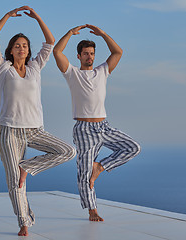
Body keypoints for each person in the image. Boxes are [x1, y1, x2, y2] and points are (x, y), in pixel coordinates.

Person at [0, 6, 76, 236]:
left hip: (34, 129)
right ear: (11, 50)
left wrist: (37, 18)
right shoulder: (3, 68)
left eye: (25, 46)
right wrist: (7, 16)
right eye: (17, 46)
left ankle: (28, 167)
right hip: (9, 130)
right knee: (15, 182)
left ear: (28, 50)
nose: (21, 49)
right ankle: (24, 222)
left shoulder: (36, 67)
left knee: (67, 151)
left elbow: (50, 41)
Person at [53, 24, 141, 222]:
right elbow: (57, 52)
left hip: (104, 126)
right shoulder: (72, 73)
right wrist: (69, 33)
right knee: (84, 172)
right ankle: (92, 210)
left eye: (92, 53)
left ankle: (99, 167)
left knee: (133, 148)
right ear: (79, 56)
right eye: (85, 53)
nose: (89, 57)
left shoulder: (102, 71)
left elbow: (118, 52)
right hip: (84, 129)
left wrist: (102, 34)